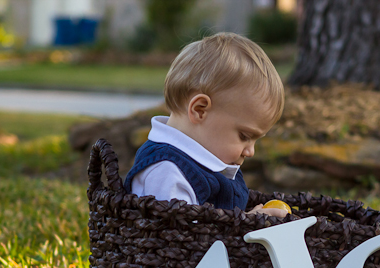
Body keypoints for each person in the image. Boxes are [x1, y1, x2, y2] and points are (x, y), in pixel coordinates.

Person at [123, 32, 287, 217]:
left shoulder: (210, 163)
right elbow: (180, 239)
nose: (250, 152)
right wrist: (245, 226)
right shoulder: (167, 172)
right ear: (200, 110)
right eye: (245, 136)